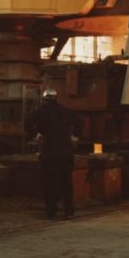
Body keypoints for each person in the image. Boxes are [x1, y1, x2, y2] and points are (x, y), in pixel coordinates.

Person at [25, 88, 78, 220]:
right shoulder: (65, 111)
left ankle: (51, 212)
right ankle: (69, 211)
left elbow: (27, 123)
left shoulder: (41, 112)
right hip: (66, 152)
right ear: (56, 98)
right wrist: (76, 136)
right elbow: (80, 121)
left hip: (49, 153)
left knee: (50, 183)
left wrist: (36, 134)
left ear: (44, 99)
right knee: (66, 182)